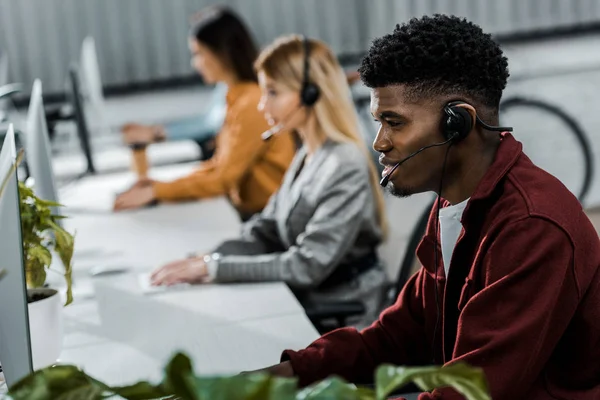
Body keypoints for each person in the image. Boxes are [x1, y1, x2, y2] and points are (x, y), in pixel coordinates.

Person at [256, 15, 600, 400]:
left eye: (394, 122)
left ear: (460, 124)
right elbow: (399, 334)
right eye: (377, 122)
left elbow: (469, 392)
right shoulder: (456, 205)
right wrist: (273, 377)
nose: (379, 143)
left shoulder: (532, 227)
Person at [150, 35, 389, 325]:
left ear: (310, 94)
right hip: (307, 298)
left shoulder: (344, 164)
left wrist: (216, 269)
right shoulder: (307, 154)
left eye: (273, 93)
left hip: (343, 314)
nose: (263, 107)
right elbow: (267, 229)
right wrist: (209, 258)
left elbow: (307, 265)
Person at [113, 5, 296, 221]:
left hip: (266, 217)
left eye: (199, 54)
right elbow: (220, 164)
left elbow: (223, 179)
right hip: (252, 213)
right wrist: (160, 186)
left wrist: (157, 192)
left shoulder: (251, 103)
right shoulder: (233, 96)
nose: (195, 64)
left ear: (222, 54)